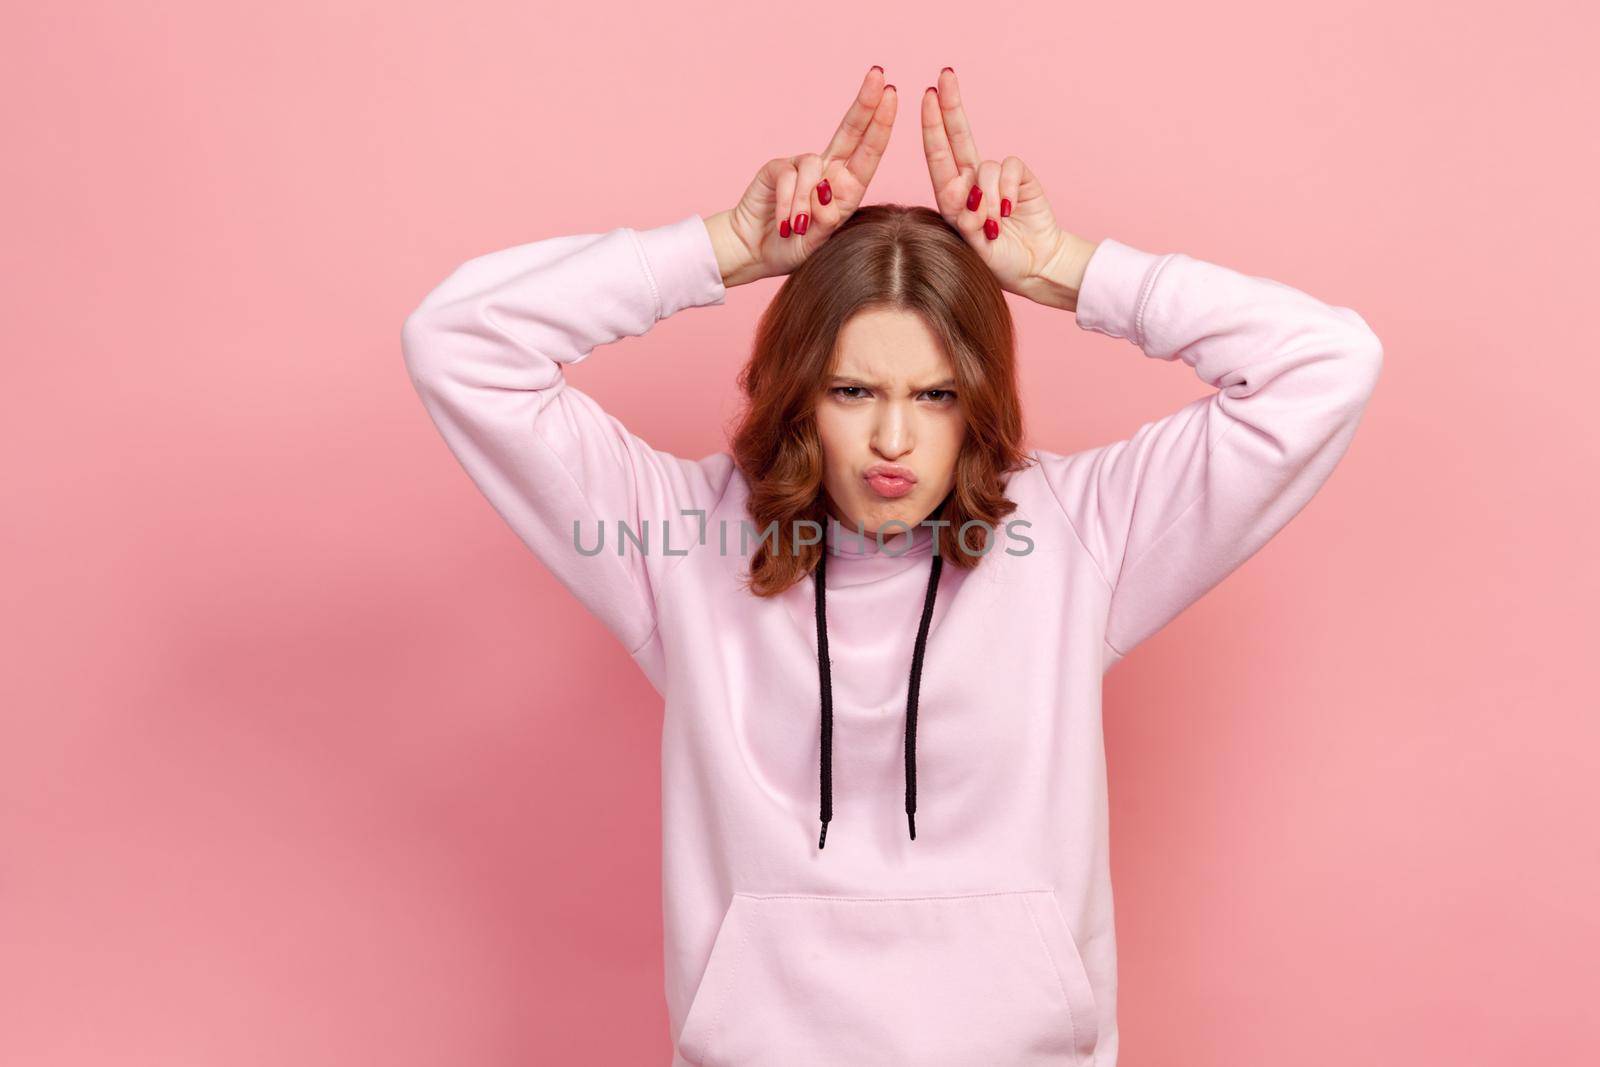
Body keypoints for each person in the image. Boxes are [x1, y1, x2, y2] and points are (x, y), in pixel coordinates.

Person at [401, 65, 1382, 1067]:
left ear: (981, 399)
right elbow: (458, 342)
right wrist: (728, 249)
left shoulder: (1079, 532)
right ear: (798, 394)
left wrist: (1064, 268)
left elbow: (1326, 365)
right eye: (853, 389)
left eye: (937, 396)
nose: (892, 440)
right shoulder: (683, 539)